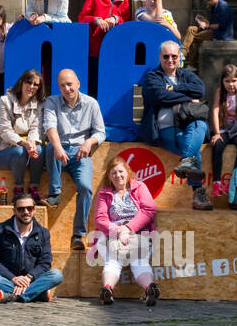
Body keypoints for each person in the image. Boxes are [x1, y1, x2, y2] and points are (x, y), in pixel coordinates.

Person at [141, 40, 213, 211]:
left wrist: (173, 89)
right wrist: (187, 97)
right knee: (193, 149)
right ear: (160, 57)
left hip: (187, 123)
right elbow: (159, 96)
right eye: (166, 56)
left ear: (180, 57)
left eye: (174, 56)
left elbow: (200, 90)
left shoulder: (186, 75)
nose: (170, 60)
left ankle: (186, 162)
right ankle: (198, 192)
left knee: (200, 126)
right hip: (165, 129)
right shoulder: (152, 77)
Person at [42, 69, 106, 249]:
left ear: (78, 84)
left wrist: (89, 142)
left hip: (80, 153)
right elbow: (50, 126)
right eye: (62, 85)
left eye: (69, 84)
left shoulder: (91, 104)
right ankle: (55, 194)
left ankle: (78, 235)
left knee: (86, 188)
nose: (66, 88)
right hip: (58, 150)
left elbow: (101, 132)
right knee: (51, 146)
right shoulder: (51, 101)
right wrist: (58, 147)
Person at [92, 155, 160, 307]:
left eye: (121, 171)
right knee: (113, 260)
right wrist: (118, 231)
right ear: (109, 177)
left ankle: (150, 288)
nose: (118, 175)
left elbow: (150, 209)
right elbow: (100, 218)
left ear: (128, 172)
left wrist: (128, 229)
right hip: (112, 234)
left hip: (139, 233)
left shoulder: (139, 187)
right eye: (113, 173)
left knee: (139, 260)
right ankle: (107, 290)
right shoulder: (104, 194)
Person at [0, 191, 63, 303]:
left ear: (34, 209)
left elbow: (45, 262)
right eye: (21, 209)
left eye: (29, 208)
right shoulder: (0, 230)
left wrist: (29, 278)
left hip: (31, 280)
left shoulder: (43, 233)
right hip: (8, 279)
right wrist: (13, 278)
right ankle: (36, 294)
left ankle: (13, 296)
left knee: (56, 275)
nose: (26, 212)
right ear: (14, 210)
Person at [77, 0, 131, 94]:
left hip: (115, 47)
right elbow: (82, 17)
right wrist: (96, 20)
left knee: (112, 81)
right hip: (95, 47)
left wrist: (116, 19)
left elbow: (127, 20)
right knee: (93, 81)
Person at [0, 69, 46, 203]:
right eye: (28, 82)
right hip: (5, 151)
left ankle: (33, 188)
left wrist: (32, 143)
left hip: (27, 149)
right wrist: (24, 144)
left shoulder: (39, 104)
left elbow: (36, 127)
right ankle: (18, 190)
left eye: (36, 84)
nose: (32, 87)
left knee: (40, 150)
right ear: (21, 82)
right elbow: (4, 130)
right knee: (19, 151)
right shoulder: (5, 100)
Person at [209, 63, 237, 198]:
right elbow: (215, 111)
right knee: (217, 145)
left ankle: (233, 181)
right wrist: (216, 133)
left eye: (234, 81)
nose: (231, 85)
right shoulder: (220, 92)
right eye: (227, 81)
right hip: (224, 129)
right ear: (222, 82)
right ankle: (216, 182)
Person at [181, 0, 234, 69]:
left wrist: (206, 25)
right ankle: (183, 54)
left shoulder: (223, 6)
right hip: (212, 30)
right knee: (191, 29)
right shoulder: (214, 6)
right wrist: (204, 20)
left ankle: (189, 63)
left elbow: (222, 25)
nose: (209, 2)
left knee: (194, 38)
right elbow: (213, 23)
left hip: (221, 34)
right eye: (207, 0)